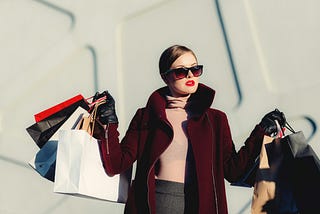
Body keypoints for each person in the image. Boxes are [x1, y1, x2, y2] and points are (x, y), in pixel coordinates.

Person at [94, 45, 286, 214]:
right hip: (155, 204)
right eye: (180, 71)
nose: (189, 76)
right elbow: (116, 164)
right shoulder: (147, 116)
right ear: (165, 77)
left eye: (195, 69)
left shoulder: (216, 120)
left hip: (201, 205)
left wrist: (261, 132)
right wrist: (109, 122)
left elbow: (233, 171)